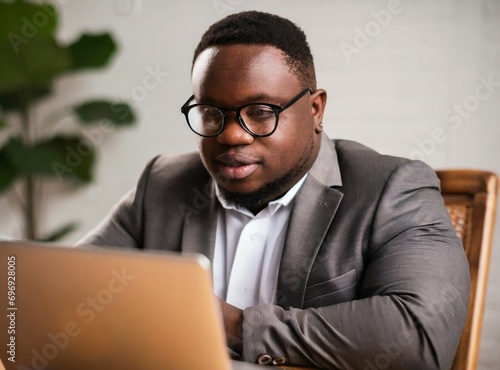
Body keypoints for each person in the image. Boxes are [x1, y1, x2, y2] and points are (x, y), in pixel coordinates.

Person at [79, 11, 469, 369]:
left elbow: (420, 338)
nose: (231, 134)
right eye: (211, 112)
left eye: (261, 112)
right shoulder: (163, 184)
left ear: (315, 110)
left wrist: (230, 324)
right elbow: (69, 286)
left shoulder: (392, 189)